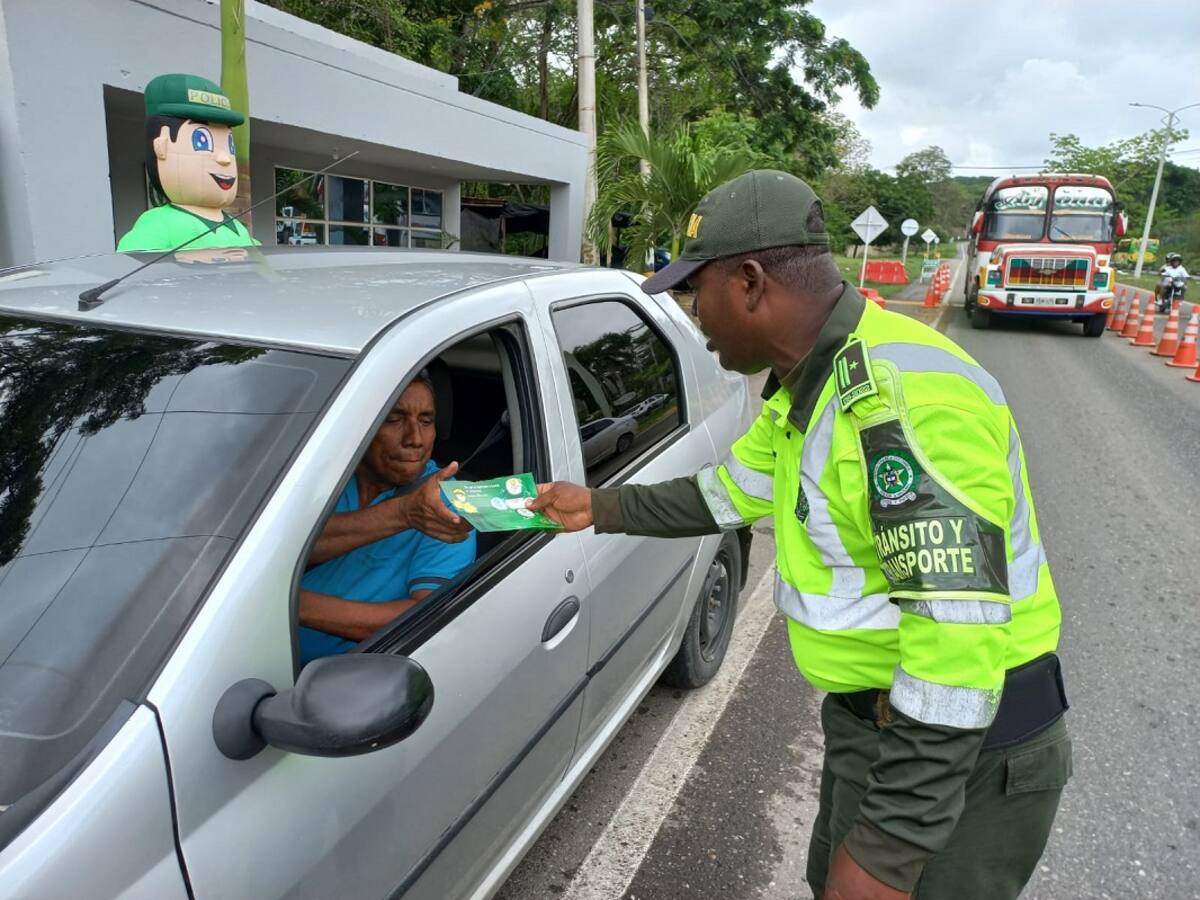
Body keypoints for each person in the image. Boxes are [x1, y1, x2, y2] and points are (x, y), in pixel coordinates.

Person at [531, 170, 1070, 900]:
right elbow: (721, 497)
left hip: (960, 758)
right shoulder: (808, 388)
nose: (694, 316)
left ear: (750, 281)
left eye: (698, 291)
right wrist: (594, 507)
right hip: (879, 731)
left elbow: (957, 644)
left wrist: (892, 843)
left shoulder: (900, 406)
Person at [298, 372, 475, 665]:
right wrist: (402, 513)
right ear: (361, 426)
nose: (415, 439)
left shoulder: (450, 503)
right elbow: (283, 550)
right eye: (394, 419)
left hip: (329, 685)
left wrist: (285, 606)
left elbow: (423, 618)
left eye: (426, 421)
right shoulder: (321, 479)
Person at [117, 73, 260, 252]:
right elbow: (133, 268)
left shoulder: (236, 227)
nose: (225, 158)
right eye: (201, 140)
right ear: (162, 145)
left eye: (229, 145)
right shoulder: (160, 225)